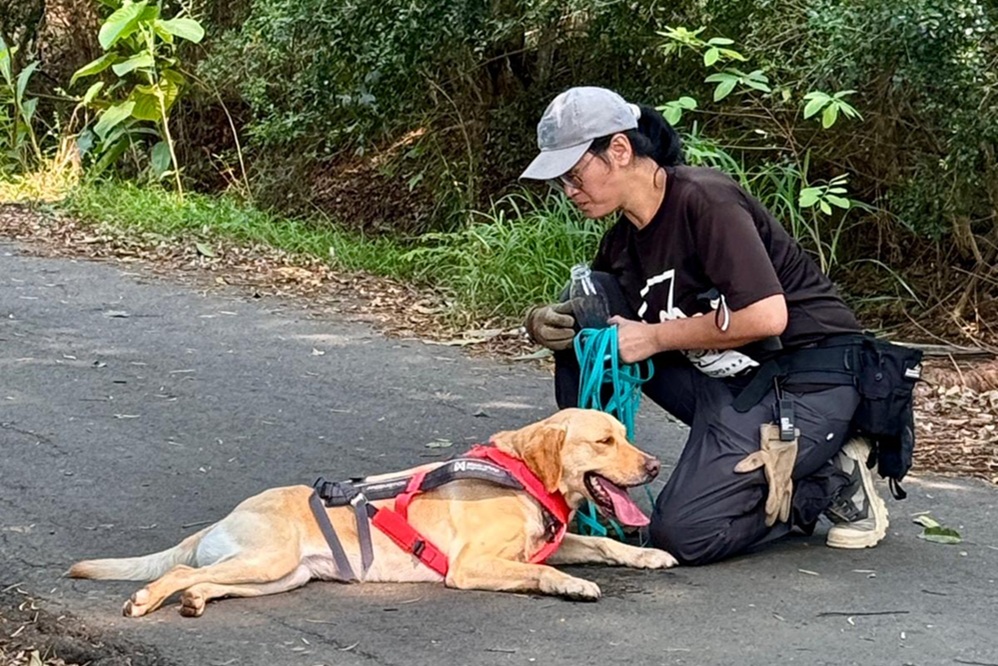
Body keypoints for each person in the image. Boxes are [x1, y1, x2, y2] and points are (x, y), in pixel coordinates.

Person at [519, 86, 890, 566]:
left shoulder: (705, 199)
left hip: (808, 379)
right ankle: (594, 487)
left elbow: (766, 316)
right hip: (730, 386)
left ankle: (826, 477)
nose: (569, 190)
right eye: (560, 181)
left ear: (620, 149)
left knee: (684, 535)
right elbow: (599, 329)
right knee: (586, 331)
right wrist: (545, 323)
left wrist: (653, 337)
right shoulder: (620, 244)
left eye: (574, 174)